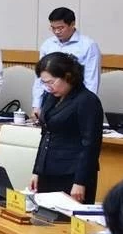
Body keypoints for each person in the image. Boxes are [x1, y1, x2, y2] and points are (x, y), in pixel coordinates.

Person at [30, 51, 104, 202]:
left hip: (73, 174)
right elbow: (46, 135)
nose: (48, 87)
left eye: (51, 82)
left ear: (68, 76)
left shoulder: (87, 100)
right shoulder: (50, 97)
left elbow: (91, 145)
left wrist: (80, 181)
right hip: (47, 170)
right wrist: (37, 170)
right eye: (44, 83)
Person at [33, 8, 101, 116]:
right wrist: (37, 104)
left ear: (72, 24)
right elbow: (40, 78)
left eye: (60, 28)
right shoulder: (48, 44)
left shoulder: (88, 45)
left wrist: (87, 105)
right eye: (53, 28)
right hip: (49, 97)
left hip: (75, 98)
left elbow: (91, 80)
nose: (56, 32)